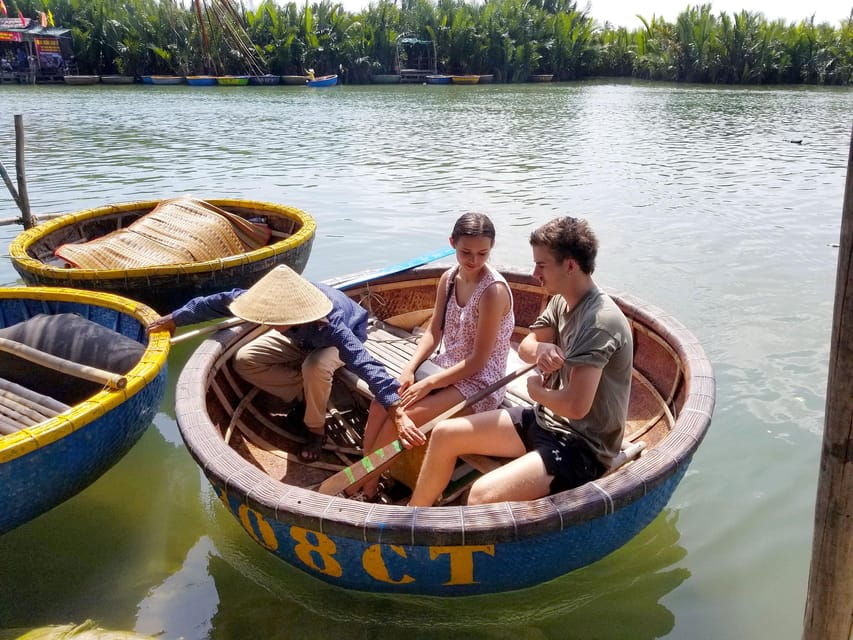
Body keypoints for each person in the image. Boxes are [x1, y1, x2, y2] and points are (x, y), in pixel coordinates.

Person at [408, 216, 633, 507]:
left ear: (570, 266)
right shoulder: (562, 300)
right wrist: (540, 351)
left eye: (541, 265)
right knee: (444, 434)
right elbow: (527, 345)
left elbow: (576, 407)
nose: (534, 273)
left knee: (479, 496)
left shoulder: (598, 322)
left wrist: (537, 391)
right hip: (544, 420)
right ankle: (414, 518)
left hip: (581, 446)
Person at [148, 265, 412, 461]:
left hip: (340, 339)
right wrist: (175, 318)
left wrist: (395, 408)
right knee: (245, 359)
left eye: (276, 319)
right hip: (300, 340)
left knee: (315, 366)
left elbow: (363, 361)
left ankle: (316, 431)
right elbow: (216, 302)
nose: (269, 322)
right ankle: (307, 396)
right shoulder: (270, 301)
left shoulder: (329, 320)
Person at [360, 212, 514, 498]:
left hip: (480, 381)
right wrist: (410, 368)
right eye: (465, 252)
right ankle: (366, 472)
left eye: (483, 253)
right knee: (384, 401)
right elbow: (433, 333)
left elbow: (479, 361)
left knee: (407, 414)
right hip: (444, 367)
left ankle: (367, 484)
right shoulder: (449, 279)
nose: (474, 261)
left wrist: (429, 384)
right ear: (452, 243)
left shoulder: (492, 291)